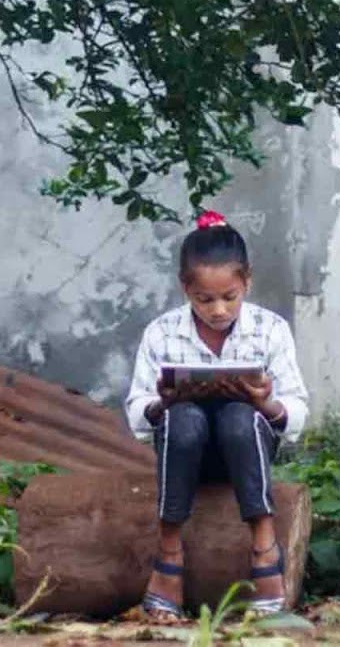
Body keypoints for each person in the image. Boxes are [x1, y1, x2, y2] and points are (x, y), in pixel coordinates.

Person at [124, 211, 310, 619]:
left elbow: (297, 410)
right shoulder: (161, 333)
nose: (219, 309)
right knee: (183, 417)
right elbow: (138, 415)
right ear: (185, 289)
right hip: (185, 452)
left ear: (247, 282)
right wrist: (162, 403)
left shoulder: (270, 329)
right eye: (204, 299)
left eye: (230, 296)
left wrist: (266, 403)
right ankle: (169, 553)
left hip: (247, 451)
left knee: (237, 417)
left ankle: (264, 547)